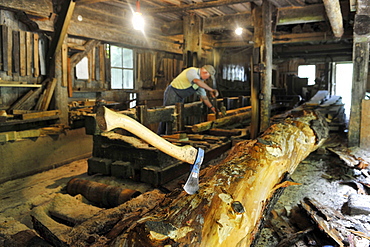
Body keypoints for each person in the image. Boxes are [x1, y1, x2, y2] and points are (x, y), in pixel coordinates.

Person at [158, 65, 219, 135]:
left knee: (177, 115)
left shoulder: (201, 83)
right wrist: (211, 90)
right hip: (172, 92)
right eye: (208, 76)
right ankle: (161, 135)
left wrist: (212, 107)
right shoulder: (192, 71)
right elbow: (196, 81)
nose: (207, 78)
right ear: (205, 72)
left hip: (180, 97)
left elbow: (204, 97)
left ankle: (172, 135)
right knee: (168, 114)